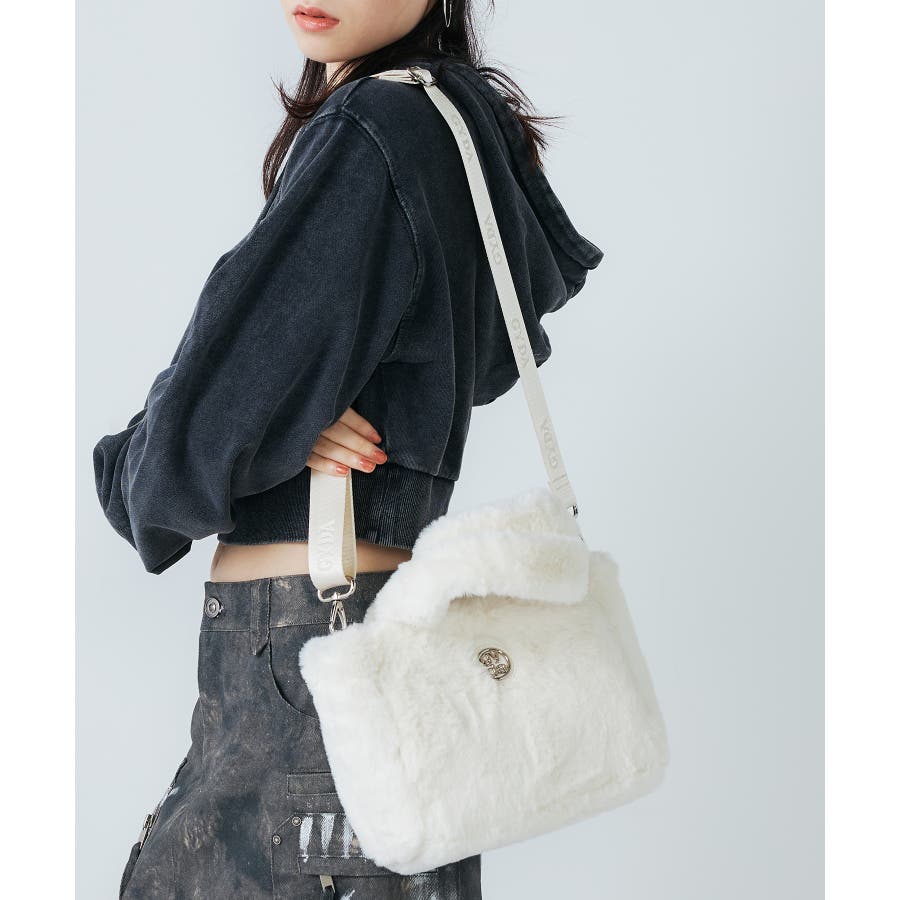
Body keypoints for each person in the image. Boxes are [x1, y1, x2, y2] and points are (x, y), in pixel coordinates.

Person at [94, 1, 603, 897]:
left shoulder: (370, 131)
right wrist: (283, 415)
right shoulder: (455, 123)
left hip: (304, 663)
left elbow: (168, 468)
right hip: (390, 658)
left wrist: (146, 451)